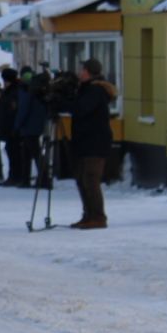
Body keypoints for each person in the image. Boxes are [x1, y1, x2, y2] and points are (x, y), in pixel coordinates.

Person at [68, 58, 115, 230]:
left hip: (95, 142)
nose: (80, 73)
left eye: (83, 70)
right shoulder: (87, 89)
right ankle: (88, 215)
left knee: (90, 179)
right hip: (85, 141)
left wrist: (66, 104)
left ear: (89, 72)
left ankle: (97, 216)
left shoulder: (95, 91)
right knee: (82, 179)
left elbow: (81, 109)